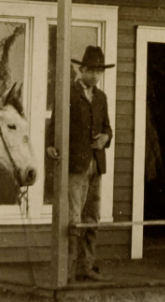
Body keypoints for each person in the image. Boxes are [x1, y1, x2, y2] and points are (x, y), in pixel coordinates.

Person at [46, 45, 114, 282]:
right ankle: (67, 269)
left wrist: (105, 138)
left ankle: (86, 267)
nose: (96, 75)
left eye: (99, 71)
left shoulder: (102, 97)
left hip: (97, 165)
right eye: (92, 70)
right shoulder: (68, 95)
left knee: (92, 217)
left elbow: (108, 129)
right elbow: (53, 126)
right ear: (81, 70)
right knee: (73, 219)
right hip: (75, 164)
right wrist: (50, 147)